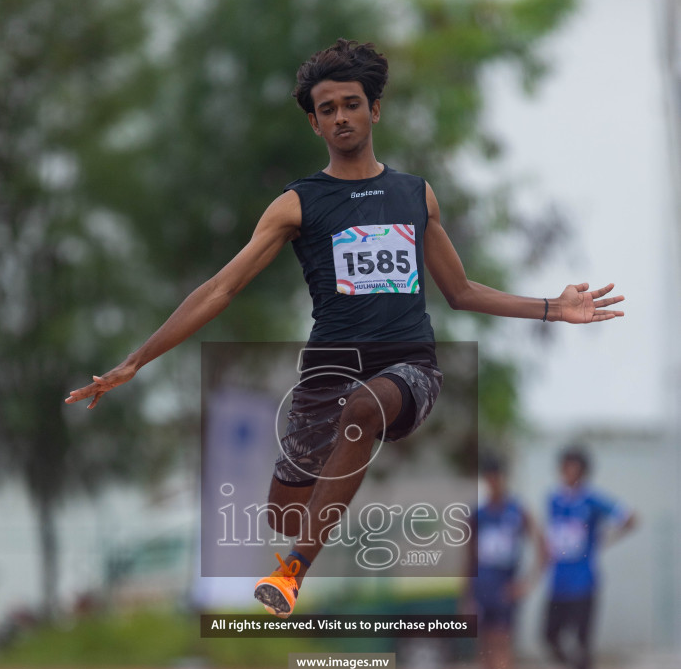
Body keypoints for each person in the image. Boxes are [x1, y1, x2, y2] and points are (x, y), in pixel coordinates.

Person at [66, 39, 625, 618]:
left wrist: (551, 308)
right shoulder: (297, 205)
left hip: (409, 367)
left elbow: (460, 292)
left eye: (351, 104)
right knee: (284, 514)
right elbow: (220, 289)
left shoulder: (415, 195)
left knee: (366, 408)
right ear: (314, 122)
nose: (341, 117)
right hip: (326, 371)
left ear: (374, 110)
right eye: (327, 109)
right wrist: (137, 360)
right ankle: (311, 525)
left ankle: (291, 574)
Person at [544, 446, 637, 669]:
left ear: (583, 471)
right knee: (549, 637)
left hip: (584, 583)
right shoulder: (553, 500)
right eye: (566, 466)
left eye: (574, 467)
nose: (569, 472)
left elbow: (630, 517)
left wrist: (604, 539)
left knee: (582, 640)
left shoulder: (592, 501)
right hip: (558, 583)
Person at [467, 454, 546, 669]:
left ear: (503, 479)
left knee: (501, 640)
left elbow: (543, 548)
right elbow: (468, 556)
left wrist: (527, 583)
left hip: (505, 585)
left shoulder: (517, 511)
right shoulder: (478, 515)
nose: (493, 483)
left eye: (496, 478)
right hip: (482, 585)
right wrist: (465, 593)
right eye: (488, 479)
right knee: (484, 642)